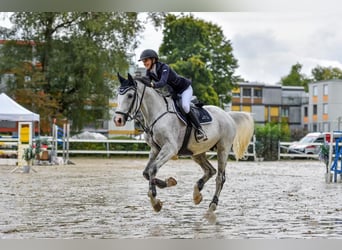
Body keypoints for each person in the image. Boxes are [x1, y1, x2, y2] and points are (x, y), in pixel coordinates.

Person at [139, 49, 207, 142]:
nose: (144, 63)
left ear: (153, 60)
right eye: (143, 61)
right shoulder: (149, 71)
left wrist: (152, 85)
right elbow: (147, 81)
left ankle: (199, 129)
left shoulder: (164, 67)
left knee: (185, 106)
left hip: (184, 89)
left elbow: (162, 82)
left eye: (146, 60)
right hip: (173, 92)